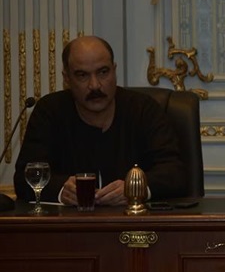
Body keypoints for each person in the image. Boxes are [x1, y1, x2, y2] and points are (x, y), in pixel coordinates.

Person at [13, 35, 187, 206]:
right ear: (67, 79)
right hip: (71, 222)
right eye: (82, 75)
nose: (95, 85)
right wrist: (60, 189)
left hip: (133, 220)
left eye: (103, 72)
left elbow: (175, 173)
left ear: (114, 70)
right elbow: (25, 178)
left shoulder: (143, 109)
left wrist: (136, 187)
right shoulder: (49, 111)